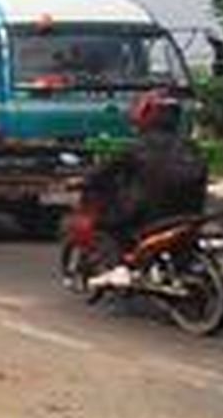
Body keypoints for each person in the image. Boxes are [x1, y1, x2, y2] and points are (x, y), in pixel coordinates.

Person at [86, 88, 208, 288]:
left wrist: (85, 180)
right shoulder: (190, 147)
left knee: (104, 224)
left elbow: (105, 171)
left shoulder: (138, 148)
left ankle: (119, 268)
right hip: (190, 214)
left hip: (152, 217)